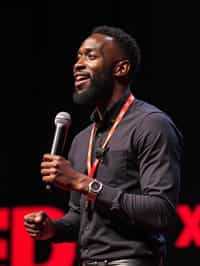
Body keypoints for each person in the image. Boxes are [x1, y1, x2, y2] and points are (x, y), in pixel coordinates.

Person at [24, 25, 183, 266]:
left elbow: (161, 212)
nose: (78, 64)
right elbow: (81, 217)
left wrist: (84, 183)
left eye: (90, 56)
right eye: (78, 56)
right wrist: (53, 229)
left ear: (121, 68)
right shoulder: (81, 139)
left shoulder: (151, 125)